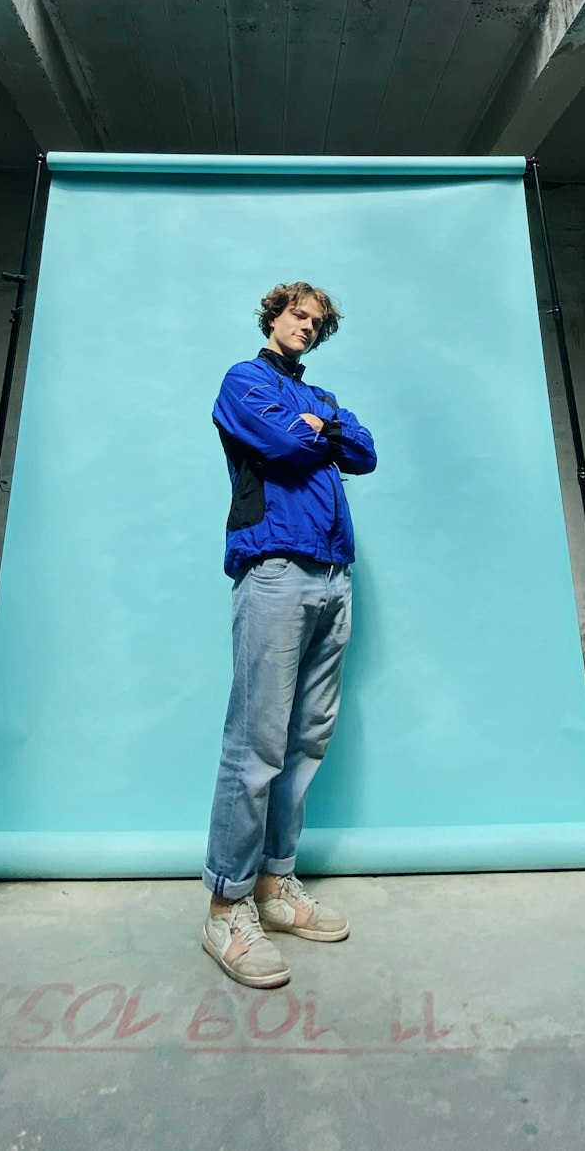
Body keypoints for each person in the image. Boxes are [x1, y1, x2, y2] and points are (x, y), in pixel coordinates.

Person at [201, 281, 377, 988]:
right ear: (274, 315)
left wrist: (322, 428)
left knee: (306, 739)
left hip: (334, 578)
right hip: (274, 572)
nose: (307, 326)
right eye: (298, 315)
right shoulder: (244, 381)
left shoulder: (324, 400)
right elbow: (280, 443)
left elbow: (361, 451)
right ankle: (225, 907)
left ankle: (275, 888)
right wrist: (309, 433)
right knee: (256, 745)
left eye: (318, 322)